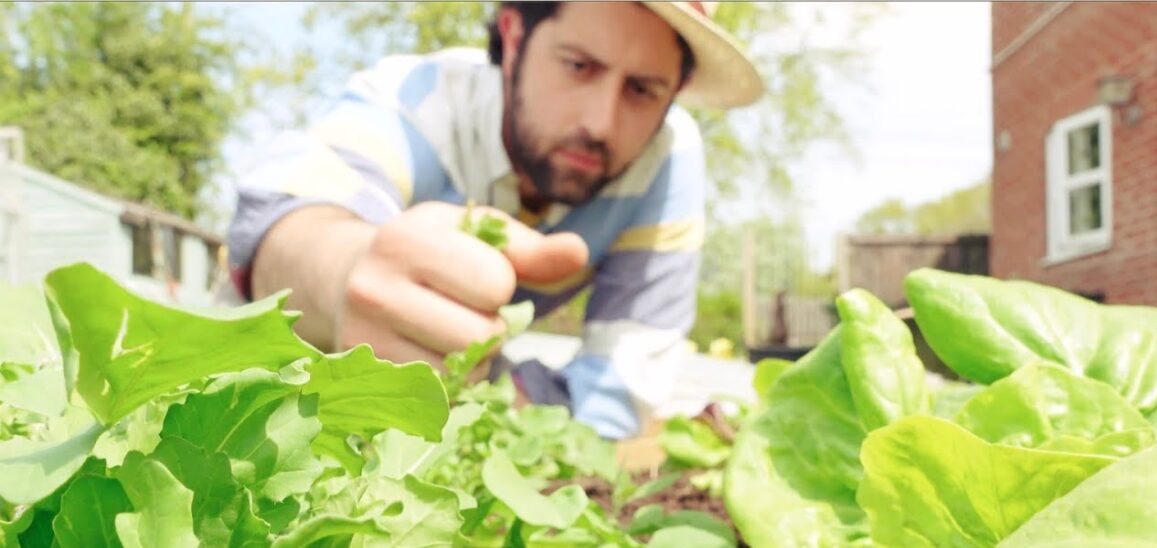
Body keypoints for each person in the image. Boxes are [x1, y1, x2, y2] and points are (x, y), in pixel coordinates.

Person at [227, 1, 763, 439]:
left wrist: (493, 392)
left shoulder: (665, 166)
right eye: (579, 66)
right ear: (512, 38)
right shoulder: (418, 99)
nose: (600, 123)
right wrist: (347, 274)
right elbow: (285, 223)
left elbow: (619, 392)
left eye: (642, 90)